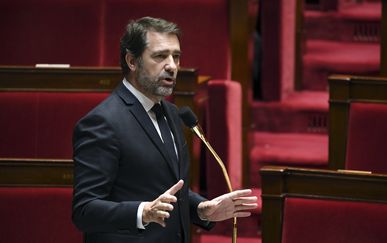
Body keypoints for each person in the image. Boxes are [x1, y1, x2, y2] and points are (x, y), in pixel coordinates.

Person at [72, 16, 258, 243]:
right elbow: (84, 210)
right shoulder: (102, 123)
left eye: (176, 56)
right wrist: (143, 213)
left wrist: (200, 208)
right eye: (160, 56)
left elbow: (163, 188)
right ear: (132, 61)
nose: (172, 65)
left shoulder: (171, 113)